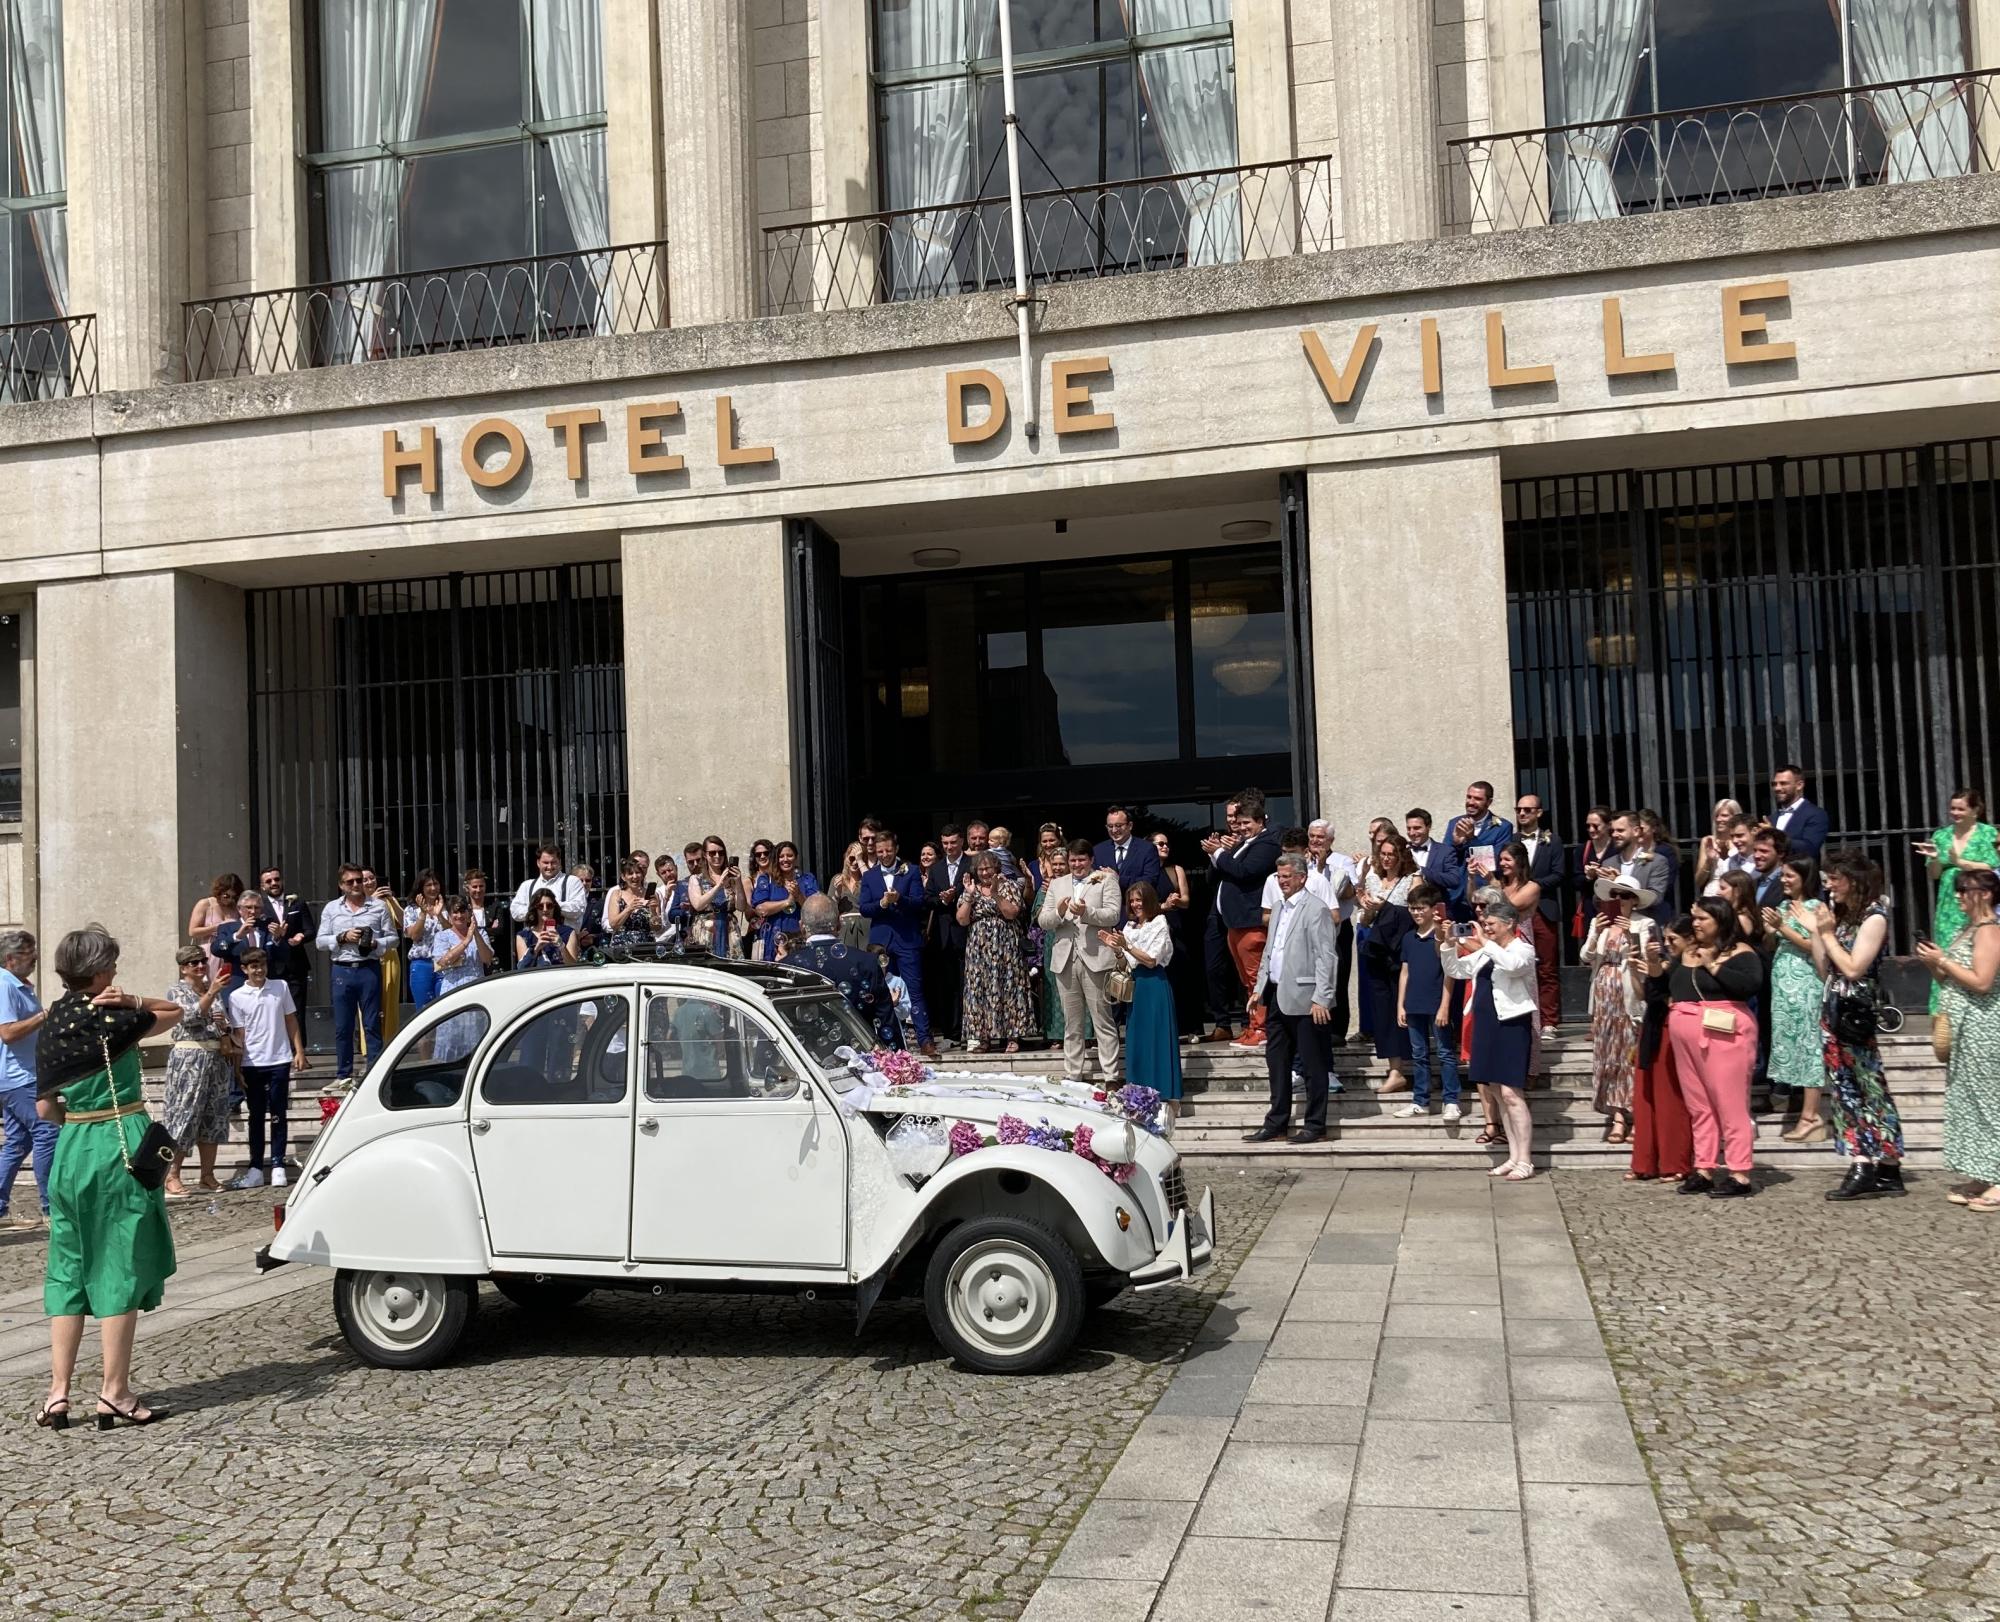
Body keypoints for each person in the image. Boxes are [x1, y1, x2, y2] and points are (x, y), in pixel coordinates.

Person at [35, 924, 183, 1430]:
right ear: (99, 972)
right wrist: (132, 997)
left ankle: (57, 1394)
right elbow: (175, 1011)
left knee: (69, 1266)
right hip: (118, 1142)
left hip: (70, 1148)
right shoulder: (115, 1012)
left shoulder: (54, 1019)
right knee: (118, 1261)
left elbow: (44, 1106)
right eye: (113, 966)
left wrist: (78, 1116)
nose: (116, 971)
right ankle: (114, 1392)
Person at [1812, 849, 1904, 1200]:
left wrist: (1829, 935)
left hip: (1855, 1012)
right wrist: (1819, 934)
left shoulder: (1874, 917)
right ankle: (1883, 1165)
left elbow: (1853, 968)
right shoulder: (1843, 916)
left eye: (1835, 878)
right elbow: (1828, 969)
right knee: (1845, 1085)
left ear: (1854, 881)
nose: (1830, 885)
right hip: (1833, 1006)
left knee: (1865, 1086)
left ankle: (1867, 1162)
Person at [1663, 898, 1761, 1198]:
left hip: (1724, 1031)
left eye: (1702, 918)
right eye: (1694, 917)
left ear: (1720, 920)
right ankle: (1704, 1167)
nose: (1696, 923)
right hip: (1686, 1031)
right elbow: (1671, 983)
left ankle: (1739, 1172)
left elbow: (1749, 985)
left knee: (1730, 1105)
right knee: (1699, 1105)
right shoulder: (1689, 952)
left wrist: (1713, 966)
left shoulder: (1740, 952)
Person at [1920, 868, 2000, 1211]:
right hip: (1962, 1026)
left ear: (1983, 893)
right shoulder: (1966, 929)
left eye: (1963, 890)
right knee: (1968, 1100)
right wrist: (1933, 963)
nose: (1957, 896)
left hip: (1983, 1026)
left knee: (1989, 1101)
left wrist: (1943, 963)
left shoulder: (1990, 931)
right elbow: (1950, 975)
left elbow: (1982, 981)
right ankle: (1982, 1171)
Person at [1244, 853, 1338, 1144]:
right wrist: (1259, 988)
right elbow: (1270, 953)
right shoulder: (1278, 908)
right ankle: (1277, 1121)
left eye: (1287, 877)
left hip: (1307, 998)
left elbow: (1327, 957)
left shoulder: (1316, 909)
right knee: (1277, 1062)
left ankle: (1315, 1124)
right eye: (1279, 877)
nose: (1282, 882)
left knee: (1312, 1065)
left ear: (1301, 877)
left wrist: (1322, 998)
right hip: (1276, 995)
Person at [1444, 896, 1540, 1178]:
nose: (1485, 928)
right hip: (1486, 1025)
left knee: (1512, 1093)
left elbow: (1512, 966)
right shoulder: (1488, 951)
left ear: (1509, 923)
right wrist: (1449, 945)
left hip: (1510, 1025)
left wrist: (1485, 943)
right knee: (1497, 1094)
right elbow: (1457, 970)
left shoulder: (1522, 949)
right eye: (1484, 924)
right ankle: (1512, 1155)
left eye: (1490, 924)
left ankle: (1525, 1159)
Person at [1039, 839, 1122, 1082]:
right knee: (1071, 1023)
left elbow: (1114, 915)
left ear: (1091, 860)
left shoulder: (1106, 879)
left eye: (1081, 860)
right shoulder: (1057, 883)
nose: (1076, 865)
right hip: (1065, 958)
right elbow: (1043, 921)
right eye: (1073, 860)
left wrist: (1087, 913)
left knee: (1102, 1020)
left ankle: (1111, 1076)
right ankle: (1073, 1074)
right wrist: (1059, 912)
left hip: (1096, 957)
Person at [225, 950, 308, 1191]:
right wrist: (237, 1067)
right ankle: (256, 1167)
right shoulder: (237, 996)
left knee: (278, 1113)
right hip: (252, 1062)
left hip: (279, 1059)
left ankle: (278, 1163)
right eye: (253, 967)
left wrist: (299, 1051)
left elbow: (291, 1019)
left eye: (261, 965)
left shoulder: (280, 987)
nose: (258, 970)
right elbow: (239, 1034)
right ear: (245, 969)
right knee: (256, 1115)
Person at [1099, 882, 1182, 1118]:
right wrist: (1116, 948)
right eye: (1132, 900)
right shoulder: (1130, 926)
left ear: (1149, 900)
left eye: (1139, 899)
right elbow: (1126, 963)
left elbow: (1151, 960)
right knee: (1137, 1040)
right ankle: (1138, 1095)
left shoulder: (1159, 923)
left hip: (1154, 985)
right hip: (1136, 987)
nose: (1135, 905)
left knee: (1158, 1038)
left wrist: (1127, 945)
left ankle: (1167, 1094)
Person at [1762, 857, 1829, 1141]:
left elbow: (1812, 944)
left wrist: (1782, 928)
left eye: (1790, 875)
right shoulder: (1783, 907)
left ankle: (1811, 1116)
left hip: (1806, 983)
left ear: (1804, 877)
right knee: (1791, 1044)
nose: (1784, 880)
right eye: (1783, 876)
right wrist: (1770, 931)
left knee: (1808, 1044)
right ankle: (1800, 1106)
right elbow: (1772, 943)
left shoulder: (1815, 908)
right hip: (1783, 985)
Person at [1582, 880, 1653, 1144]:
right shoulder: (1599, 924)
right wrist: (1596, 933)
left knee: (1628, 1055)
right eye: (1614, 895)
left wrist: (1630, 934)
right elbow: (1586, 956)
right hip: (1603, 994)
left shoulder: (1643, 924)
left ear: (1634, 900)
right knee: (1607, 1055)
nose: (1619, 900)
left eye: (1624, 896)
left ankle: (1636, 1114)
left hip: (1628, 994)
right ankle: (1617, 1117)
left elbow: (1646, 960)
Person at [1208, 788, 1280, 1047]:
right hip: (1235, 922)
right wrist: (1218, 855)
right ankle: (1253, 1025)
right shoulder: (1244, 844)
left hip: (1251, 921)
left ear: (1260, 822)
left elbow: (1245, 872)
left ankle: (1262, 1028)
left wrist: (1219, 853)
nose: (1242, 828)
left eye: (1247, 823)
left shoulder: (1268, 843)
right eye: (1239, 824)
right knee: (1246, 979)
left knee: (1256, 977)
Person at [159, 945, 232, 1200]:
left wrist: (224, 1026)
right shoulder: (176, 991)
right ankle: (172, 1175)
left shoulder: (212, 990)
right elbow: (188, 1018)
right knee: (184, 1116)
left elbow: (222, 1021)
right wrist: (211, 993)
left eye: (202, 961)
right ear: (183, 968)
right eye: (193, 963)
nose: (200, 966)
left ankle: (207, 1174)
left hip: (215, 1059)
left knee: (213, 1117)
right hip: (189, 1059)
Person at [316, 863, 395, 1094]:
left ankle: (374, 1073)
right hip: (341, 969)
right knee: (343, 1026)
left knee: (371, 1024)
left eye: (359, 880)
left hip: (368, 968)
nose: (356, 885)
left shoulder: (378, 907)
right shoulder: (332, 909)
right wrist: (341, 937)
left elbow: (393, 939)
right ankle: (344, 1074)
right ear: (341, 885)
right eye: (350, 882)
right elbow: (320, 941)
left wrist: (376, 943)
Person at [1627, 915, 1695, 1183]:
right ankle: (1644, 1162)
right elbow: (1645, 994)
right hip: (1652, 1026)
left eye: (1672, 939)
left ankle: (1674, 1162)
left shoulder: (1687, 965)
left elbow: (1669, 990)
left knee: (1670, 1100)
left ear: (1690, 939)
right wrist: (1635, 969)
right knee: (1645, 1099)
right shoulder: (1667, 963)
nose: (1668, 944)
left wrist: (1654, 964)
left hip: (1672, 1029)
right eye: (1666, 939)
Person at [1919, 788, 1998, 1014]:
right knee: (1945, 953)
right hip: (1949, 905)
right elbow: (1934, 874)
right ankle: (1944, 1009)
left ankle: (1978, 1005)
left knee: (1978, 951)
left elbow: (1993, 868)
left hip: (1978, 901)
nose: (1955, 812)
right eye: (1952, 808)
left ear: (1975, 810)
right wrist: (1935, 859)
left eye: (1961, 809)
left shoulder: (1988, 834)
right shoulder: (1941, 836)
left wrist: (1960, 862)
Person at [859, 828, 934, 1056]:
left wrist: (899, 899)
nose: (884, 855)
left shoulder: (910, 871)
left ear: (896, 849)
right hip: (881, 940)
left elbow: (919, 902)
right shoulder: (870, 876)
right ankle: (885, 1041)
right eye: (880, 851)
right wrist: (881, 904)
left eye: (888, 850)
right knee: (881, 991)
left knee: (914, 989)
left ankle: (925, 1039)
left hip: (906, 938)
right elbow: (863, 908)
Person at [1357, 831, 1419, 1094]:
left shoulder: (1412, 879)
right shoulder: (1372, 878)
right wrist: (1369, 909)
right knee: (1383, 1011)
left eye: (1391, 855)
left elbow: (1418, 913)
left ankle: (1410, 1065)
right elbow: (1364, 920)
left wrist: (1386, 908)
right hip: (1378, 952)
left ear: (1401, 856)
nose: (1386, 859)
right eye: (1382, 854)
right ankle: (1395, 1069)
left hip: (1401, 952)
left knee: (1403, 1009)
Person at [1392, 882, 1459, 1120]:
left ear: (1433, 909)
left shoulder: (1441, 937)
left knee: (1445, 1052)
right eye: (1412, 908)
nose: (1417, 913)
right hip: (1414, 1003)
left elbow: (1449, 969)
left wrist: (1444, 1005)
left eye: (1421, 908)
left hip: (1437, 1003)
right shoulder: (1409, 938)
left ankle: (1451, 1100)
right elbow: (1405, 972)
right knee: (1418, 1055)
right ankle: (1420, 1100)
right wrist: (1401, 1004)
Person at [792, 895, 896, 1046]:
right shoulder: (867, 962)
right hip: (860, 1054)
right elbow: (886, 1020)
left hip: (805, 1059)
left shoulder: (787, 966)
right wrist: (896, 1063)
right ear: (839, 924)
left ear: (802, 927)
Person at [957, 853, 1034, 1054]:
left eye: (988, 868)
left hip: (1006, 947)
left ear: (996, 868)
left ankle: (1013, 1036)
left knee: (1009, 987)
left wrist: (996, 893)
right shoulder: (970, 889)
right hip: (978, 949)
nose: (984, 873)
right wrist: (970, 896)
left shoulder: (1008, 885)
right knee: (980, 990)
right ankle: (983, 1038)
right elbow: (962, 920)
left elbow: (1011, 913)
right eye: (981, 869)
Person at [0, 930, 52, 1230]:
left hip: (23, 1074)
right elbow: (7, 1032)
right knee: (47, 1132)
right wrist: (44, 1016)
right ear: (11, 958)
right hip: (19, 1077)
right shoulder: (5, 985)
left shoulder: (19, 985)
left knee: (18, 1142)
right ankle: (51, 1206)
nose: (34, 959)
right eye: (29, 954)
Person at [1512, 795, 1564, 1029]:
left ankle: (1549, 1021)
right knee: (1518, 964)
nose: (1522, 814)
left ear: (1539, 813)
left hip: (1544, 909)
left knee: (1547, 966)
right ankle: (1526, 1018)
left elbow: (1559, 874)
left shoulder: (1552, 841)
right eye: (1519, 810)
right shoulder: (1512, 840)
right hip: (1517, 911)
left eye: (1527, 810)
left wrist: (1534, 887)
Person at [431, 896, 495, 1063]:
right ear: (450, 915)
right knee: (452, 1035)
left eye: (462, 911)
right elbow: (442, 961)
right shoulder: (442, 936)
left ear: (469, 913)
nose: (459, 915)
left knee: (475, 1036)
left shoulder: (481, 933)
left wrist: (475, 935)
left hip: (475, 989)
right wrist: (466, 942)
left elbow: (487, 958)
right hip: (452, 989)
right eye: (455, 912)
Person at [925, 825, 971, 1048]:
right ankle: (952, 1032)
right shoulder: (936, 869)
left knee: (968, 984)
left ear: (961, 841)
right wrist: (943, 899)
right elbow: (928, 899)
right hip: (943, 935)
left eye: (953, 842)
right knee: (948, 985)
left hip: (967, 932)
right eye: (945, 843)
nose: (949, 847)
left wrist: (959, 895)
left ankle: (969, 1030)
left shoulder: (970, 864)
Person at [256, 866, 313, 1014]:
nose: (274, 883)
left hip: (296, 965)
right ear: (263, 887)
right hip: (271, 966)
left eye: (277, 879)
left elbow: (310, 930)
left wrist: (301, 937)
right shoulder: (259, 907)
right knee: (273, 1013)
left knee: (297, 1013)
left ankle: (299, 1038)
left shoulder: (297, 903)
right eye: (268, 881)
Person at [1449, 781, 1515, 907]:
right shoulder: (1454, 823)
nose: (1471, 802)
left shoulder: (1502, 827)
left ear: (1489, 802)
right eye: (1469, 797)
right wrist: (1457, 844)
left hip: (1484, 896)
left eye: (1478, 799)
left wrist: (1472, 839)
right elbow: (1448, 860)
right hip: (1456, 896)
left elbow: (1495, 862)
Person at [752, 841, 819, 962]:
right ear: (776, 859)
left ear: (796, 858)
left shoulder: (807, 879)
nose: (785, 859)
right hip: (772, 938)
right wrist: (787, 902)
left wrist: (799, 895)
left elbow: (814, 910)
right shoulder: (767, 879)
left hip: (799, 938)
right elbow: (760, 909)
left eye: (790, 855)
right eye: (781, 856)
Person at [687, 837, 750, 959]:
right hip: (706, 931)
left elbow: (741, 907)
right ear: (705, 855)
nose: (717, 856)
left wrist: (738, 882)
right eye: (712, 853)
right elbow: (698, 904)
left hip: (729, 931)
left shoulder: (731, 878)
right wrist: (719, 885)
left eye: (721, 852)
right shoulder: (696, 878)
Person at [209, 885, 274, 997]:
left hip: (266, 987)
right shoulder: (228, 928)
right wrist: (237, 936)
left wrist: (278, 938)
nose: (253, 911)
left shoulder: (268, 927)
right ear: (239, 909)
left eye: (256, 907)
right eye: (248, 907)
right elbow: (216, 949)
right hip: (237, 985)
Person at [1570, 805, 1616, 954]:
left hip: (1615, 906)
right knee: (1591, 949)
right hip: (1590, 907)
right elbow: (1575, 882)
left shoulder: (1617, 848)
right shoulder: (1582, 850)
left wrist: (1612, 878)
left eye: (1596, 826)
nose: (1591, 829)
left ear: (1609, 825)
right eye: (1588, 826)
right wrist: (1588, 877)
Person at [400, 869, 448, 1008]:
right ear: (421, 887)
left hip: (445, 963)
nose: (433, 888)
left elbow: (453, 932)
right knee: (424, 1009)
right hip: (422, 963)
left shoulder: (448, 907)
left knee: (445, 1007)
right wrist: (423, 913)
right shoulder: (411, 910)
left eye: (436, 884)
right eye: (428, 885)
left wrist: (440, 916)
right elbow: (414, 936)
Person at [509, 843, 587, 929]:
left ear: (559, 862)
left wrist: (552, 905)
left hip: (565, 939)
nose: (549, 867)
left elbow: (579, 909)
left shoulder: (572, 881)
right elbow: (515, 912)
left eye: (553, 862)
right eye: (546, 863)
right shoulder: (527, 885)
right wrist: (537, 907)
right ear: (538, 863)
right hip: (535, 939)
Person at [1094, 805, 1166, 895]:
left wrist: (1118, 879)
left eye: (1118, 825)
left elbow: (1150, 881)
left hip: (1136, 905)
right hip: (1107, 906)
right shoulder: (1098, 850)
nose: (1114, 830)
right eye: (1110, 826)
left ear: (1130, 825)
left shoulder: (1147, 849)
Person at [188, 873, 245, 984]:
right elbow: (192, 931)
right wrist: (217, 927)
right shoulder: (205, 904)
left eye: (233, 897)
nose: (229, 900)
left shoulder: (235, 907)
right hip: (209, 951)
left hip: (230, 950)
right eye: (226, 896)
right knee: (210, 985)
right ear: (219, 891)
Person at [1405, 809, 1465, 908]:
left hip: (1434, 910)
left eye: (1417, 828)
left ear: (1428, 827)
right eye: (1409, 828)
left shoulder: (1445, 851)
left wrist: (1422, 871)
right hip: (1405, 910)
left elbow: (1454, 880)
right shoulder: (1401, 850)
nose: (1412, 833)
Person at [1768, 764, 1829, 858]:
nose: (1777, 788)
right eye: (1774, 784)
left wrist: (1774, 835)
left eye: (1783, 783)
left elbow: (1810, 849)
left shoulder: (1816, 814)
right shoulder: (1772, 818)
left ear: (1799, 785)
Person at [516, 888, 579, 970]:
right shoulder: (523, 936)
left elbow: (573, 966)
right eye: (540, 906)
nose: (545, 909)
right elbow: (521, 969)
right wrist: (536, 949)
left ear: (554, 907)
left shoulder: (568, 932)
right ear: (535, 908)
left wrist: (561, 945)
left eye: (549, 906)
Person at [1697, 814, 1756, 897]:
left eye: (1740, 835)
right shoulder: (1728, 863)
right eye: (1732, 836)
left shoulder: (1764, 860)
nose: (1735, 840)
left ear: (1754, 831)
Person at [830, 841, 871, 952]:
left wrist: (860, 860)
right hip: (844, 929)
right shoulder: (837, 879)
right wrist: (837, 893)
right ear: (846, 859)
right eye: (852, 858)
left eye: (858, 859)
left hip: (865, 927)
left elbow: (874, 886)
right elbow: (830, 910)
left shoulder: (868, 878)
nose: (855, 863)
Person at [604, 857, 658, 941]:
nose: (635, 876)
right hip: (621, 945)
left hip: (646, 945)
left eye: (637, 872)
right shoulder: (617, 894)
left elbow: (657, 928)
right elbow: (613, 925)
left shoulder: (651, 895)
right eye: (630, 873)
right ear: (623, 877)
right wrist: (628, 909)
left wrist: (654, 912)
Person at [1748, 826, 1790, 911]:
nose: (1756, 856)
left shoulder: (1788, 883)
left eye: (1763, 851)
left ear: (1780, 853)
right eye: (1755, 850)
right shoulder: (1753, 883)